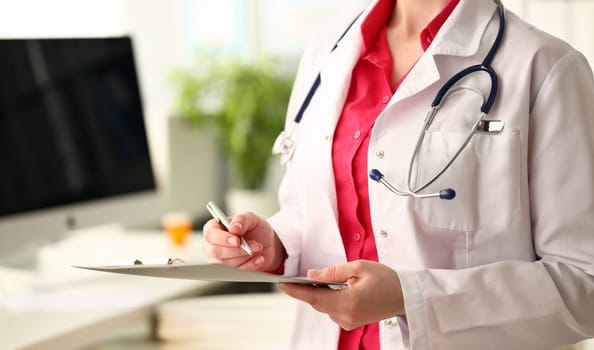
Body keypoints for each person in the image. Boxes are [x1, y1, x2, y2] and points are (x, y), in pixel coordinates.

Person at [202, 0, 594, 348]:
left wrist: (411, 297)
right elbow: (309, 215)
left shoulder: (544, 67)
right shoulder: (329, 51)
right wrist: (275, 245)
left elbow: (584, 283)